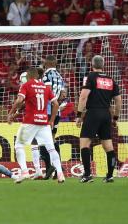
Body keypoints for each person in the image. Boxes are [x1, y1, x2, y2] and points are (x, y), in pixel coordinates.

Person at [8, 68, 65, 184]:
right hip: (44, 122)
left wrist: (10, 113)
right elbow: (56, 103)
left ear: (28, 76)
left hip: (30, 121)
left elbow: (19, 101)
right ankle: (60, 173)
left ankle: (24, 171)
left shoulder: (27, 85)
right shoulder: (45, 87)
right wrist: (52, 120)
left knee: (19, 144)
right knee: (51, 148)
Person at [76, 55, 121, 183]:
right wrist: (115, 117)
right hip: (106, 114)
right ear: (103, 65)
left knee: (84, 143)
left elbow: (83, 97)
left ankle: (87, 175)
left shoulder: (90, 77)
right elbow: (118, 101)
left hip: (93, 113)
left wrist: (79, 115)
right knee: (108, 145)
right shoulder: (111, 80)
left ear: (92, 64)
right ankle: (110, 175)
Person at [40, 55, 66, 180]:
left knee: (42, 139)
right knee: (52, 139)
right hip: (57, 112)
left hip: (47, 111)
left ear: (46, 63)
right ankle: (58, 167)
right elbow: (62, 94)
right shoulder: (60, 76)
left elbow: (47, 92)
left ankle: (49, 167)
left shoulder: (46, 76)